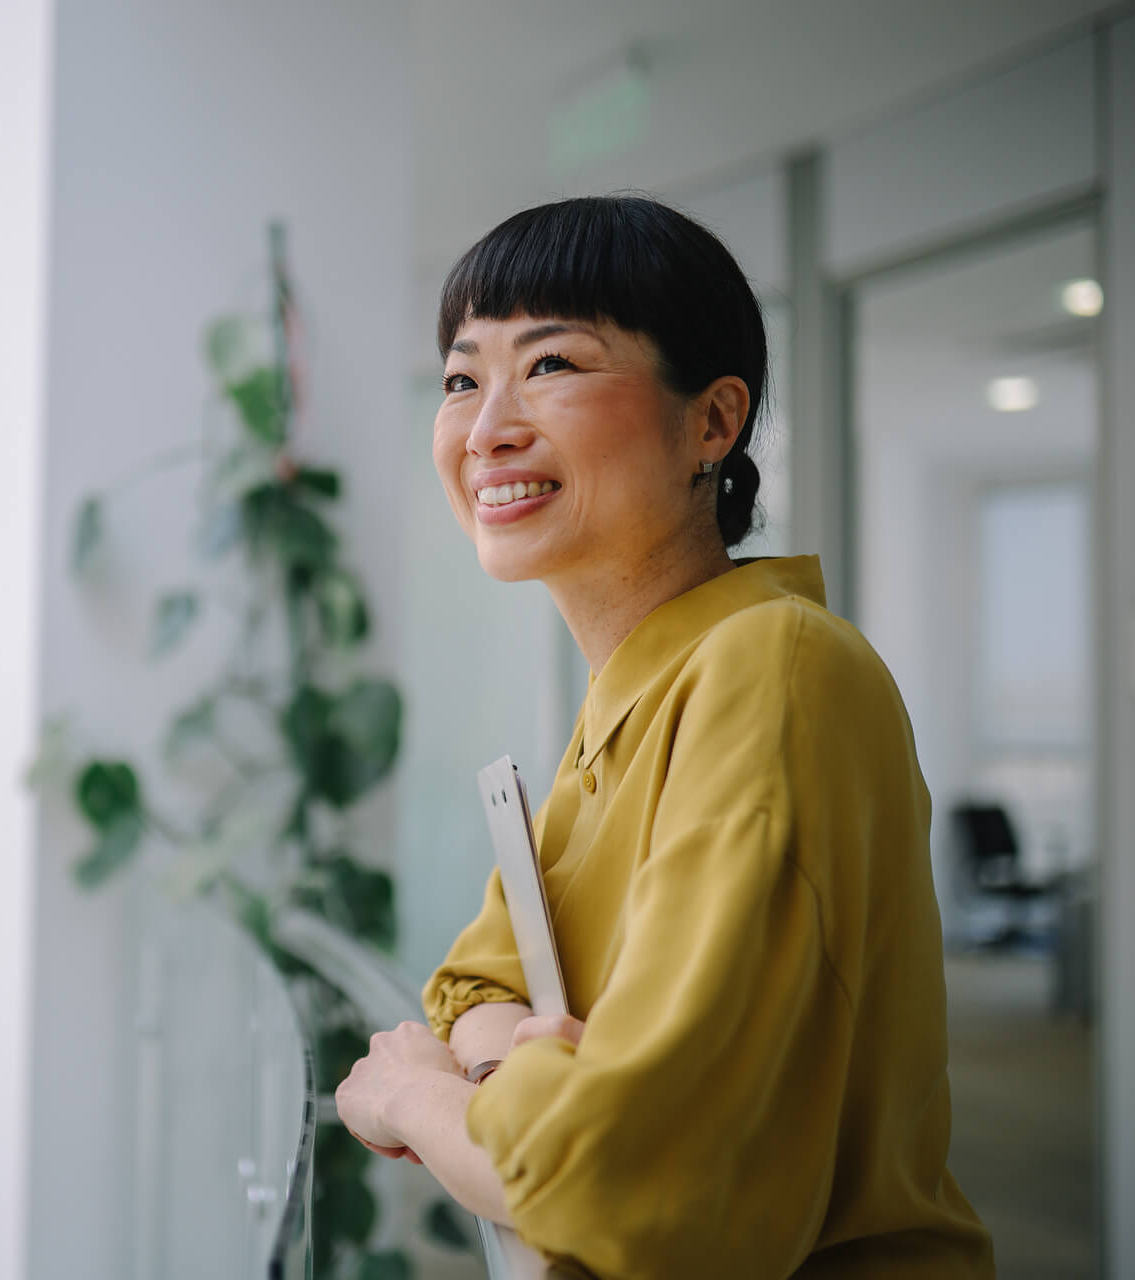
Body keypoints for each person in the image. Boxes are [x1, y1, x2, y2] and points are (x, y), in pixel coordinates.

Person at [333, 196, 995, 1278]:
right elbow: (471, 987)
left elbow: (621, 1179)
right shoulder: (630, 696)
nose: (488, 423)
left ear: (713, 422)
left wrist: (417, 1090)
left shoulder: (769, 669)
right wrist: (510, 1054)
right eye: (463, 377)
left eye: (551, 364)